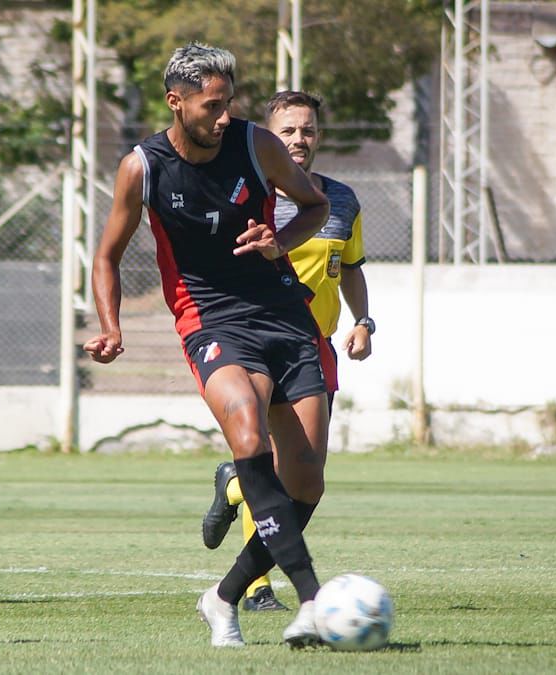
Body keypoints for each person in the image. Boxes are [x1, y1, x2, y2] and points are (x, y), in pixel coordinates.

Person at [83, 43, 334, 648]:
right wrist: (112, 326)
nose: (225, 117)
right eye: (212, 105)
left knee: (305, 483)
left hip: (285, 317)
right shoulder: (141, 167)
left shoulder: (257, 145)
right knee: (247, 435)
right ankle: (314, 599)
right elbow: (106, 256)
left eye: (229, 103)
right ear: (177, 102)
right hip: (211, 320)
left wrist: (277, 240)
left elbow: (315, 205)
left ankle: (222, 598)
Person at [200, 90, 376, 613]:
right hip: (255, 340)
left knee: (305, 478)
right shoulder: (248, 195)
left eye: (308, 130)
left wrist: (363, 321)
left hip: (315, 347)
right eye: (288, 131)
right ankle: (254, 588)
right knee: (274, 467)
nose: (299, 139)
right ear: (266, 138)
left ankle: (235, 487)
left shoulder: (340, 200)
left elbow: (352, 265)